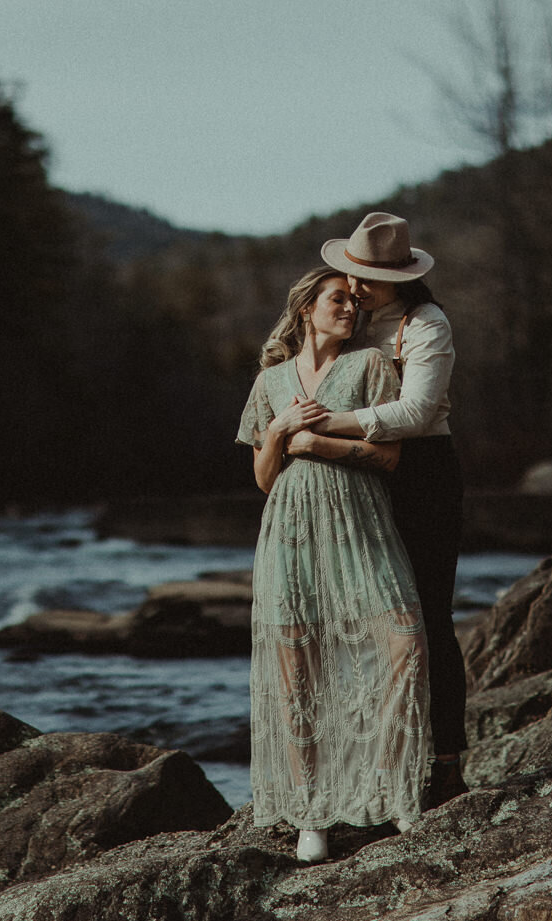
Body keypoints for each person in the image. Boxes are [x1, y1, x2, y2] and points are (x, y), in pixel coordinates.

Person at [237, 266, 430, 863]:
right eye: (336, 299)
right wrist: (278, 433)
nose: (349, 308)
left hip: (359, 523)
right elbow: (265, 479)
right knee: (297, 666)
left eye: (353, 301)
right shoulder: (270, 380)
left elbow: (389, 456)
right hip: (291, 530)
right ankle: (311, 814)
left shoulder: (372, 365)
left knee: (405, 641)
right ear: (306, 310)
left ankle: (394, 791)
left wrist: (317, 442)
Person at [306, 212, 468, 807]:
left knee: (428, 620)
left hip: (423, 473)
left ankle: (445, 764)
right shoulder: (349, 319)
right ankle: (370, 765)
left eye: (368, 276)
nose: (355, 285)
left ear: (401, 278)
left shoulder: (427, 325)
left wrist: (323, 425)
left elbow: (415, 413)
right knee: (364, 621)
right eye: (351, 273)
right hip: (355, 473)